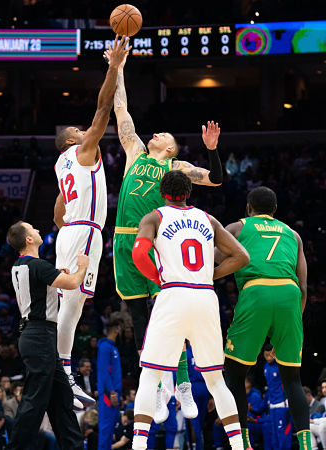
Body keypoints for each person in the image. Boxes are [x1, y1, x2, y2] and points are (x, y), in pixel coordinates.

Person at [110, 45, 224, 422]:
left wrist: (212, 151)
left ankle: (184, 385)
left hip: (158, 244)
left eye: (163, 133)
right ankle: (158, 388)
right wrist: (119, 68)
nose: (154, 132)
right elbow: (121, 110)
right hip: (124, 243)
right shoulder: (134, 153)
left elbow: (215, 180)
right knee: (143, 324)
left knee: (167, 318)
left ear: (171, 147)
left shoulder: (177, 168)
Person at [129, 170, 249, 450]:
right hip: (205, 296)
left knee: (150, 375)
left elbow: (138, 253)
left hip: (173, 293)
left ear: (162, 193)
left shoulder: (155, 217)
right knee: (216, 380)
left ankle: (138, 445)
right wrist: (211, 274)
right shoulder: (208, 219)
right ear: (189, 193)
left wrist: (158, 278)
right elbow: (242, 256)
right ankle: (239, 445)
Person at [51, 35, 129, 410]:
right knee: (74, 305)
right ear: (71, 139)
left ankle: (61, 370)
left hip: (68, 232)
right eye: (80, 133)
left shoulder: (59, 165)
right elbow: (102, 111)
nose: (88, 132)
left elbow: (56, 214)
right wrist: (114, 67)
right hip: (84, 233)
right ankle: (63, 371)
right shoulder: (81, 151)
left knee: (70, 302)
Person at [218, 186, 310, 450]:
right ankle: (306, 445)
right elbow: (303, 287)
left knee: (234, 374)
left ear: (248, 207)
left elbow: (211, 260)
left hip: (256, 290)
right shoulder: (293, 235)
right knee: (292, 378)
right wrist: (291, 322)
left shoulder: (237, 228)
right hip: (290, 296)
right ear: (275, 210)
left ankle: (242, 443)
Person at [5, 221, 88, 449]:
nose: (38, 230)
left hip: (36, 335)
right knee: (34, 399)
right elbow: (72, 283)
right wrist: (83, 267)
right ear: (29, 240)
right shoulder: (39, 266)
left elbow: (38, 287)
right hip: (40, 335)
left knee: (62, 401)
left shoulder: (21, 266)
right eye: (33, 229)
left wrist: (53, 279)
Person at [98, 315, 124, 450]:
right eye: (119, 328)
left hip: (114, 392)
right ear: (116, 329)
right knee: (106, 428)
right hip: (109, 394)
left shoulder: (113, 347)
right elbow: (104, 372)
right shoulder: (105, 347)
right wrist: (112, 392)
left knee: (110, 427)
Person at [263, 347, 292, 450]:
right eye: (266, 355)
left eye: (270, 355)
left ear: (274, 354)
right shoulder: (265, 367)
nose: (268, 358)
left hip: (282, 403)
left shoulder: (281, 366)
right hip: (272, 404)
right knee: (274, 432)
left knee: (283, 432)